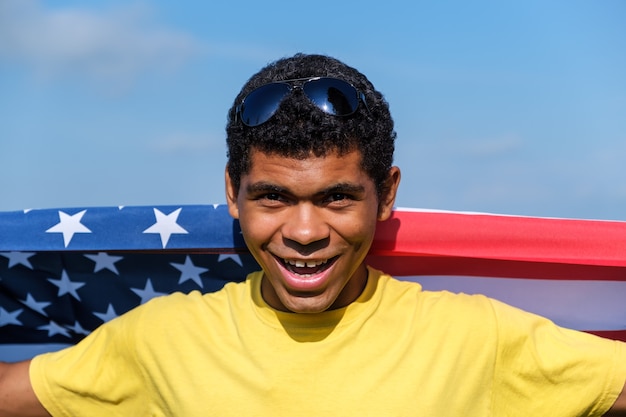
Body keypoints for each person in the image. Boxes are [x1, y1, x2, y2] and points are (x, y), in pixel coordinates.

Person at [1, 53, 625, 416]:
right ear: (231, 193)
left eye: (336, 198)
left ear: (388, 195)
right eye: (273, 197)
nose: (304, 232)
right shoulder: (158, 340)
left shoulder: (479, 338)